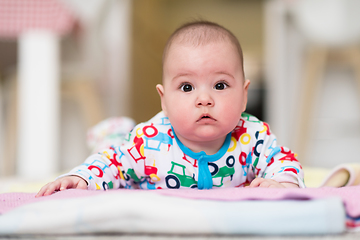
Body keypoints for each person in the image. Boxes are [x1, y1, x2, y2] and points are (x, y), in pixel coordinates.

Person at [36, 21, 305, 197]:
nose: (204, 99)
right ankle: (115, 132)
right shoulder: (148, 141)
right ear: (164, 100)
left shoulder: (253, 136)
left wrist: (281, 184)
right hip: (131, 146)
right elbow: (112, 164)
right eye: (187, 87)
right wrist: (78, 177)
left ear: (244, 96)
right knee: (113, 150)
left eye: (220, 85)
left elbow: (284, 161)